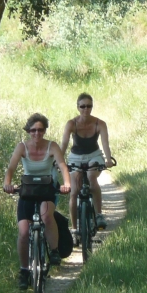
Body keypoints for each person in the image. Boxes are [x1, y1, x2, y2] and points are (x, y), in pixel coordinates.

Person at [4, 113, 71, 290]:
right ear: (28, 131)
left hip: (47, 189)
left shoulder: (52, 146)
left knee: (46, 216)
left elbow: (62, 166)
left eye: (40, 130)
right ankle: (24, 271)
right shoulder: (22, 147)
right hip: (27, 190)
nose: (37, 133)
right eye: (33, 130)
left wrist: (66, 184)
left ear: (44, 130)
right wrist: (7, 184)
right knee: (24, 232)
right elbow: (11, 167)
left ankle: (54, 251)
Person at [60, 93, 114, 235]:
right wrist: (58, 160)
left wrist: (108, 160)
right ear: (78, 107)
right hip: (76, 156)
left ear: (92, 107)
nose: (86, 109)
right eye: (82, 106)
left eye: (89, 106)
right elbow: (64, 143)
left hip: (94, 155)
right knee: (74, 190)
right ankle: (74, 228)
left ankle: (98, 214)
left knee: (91, 176)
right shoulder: (71, 123)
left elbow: (105, 143)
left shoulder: (99, 123)